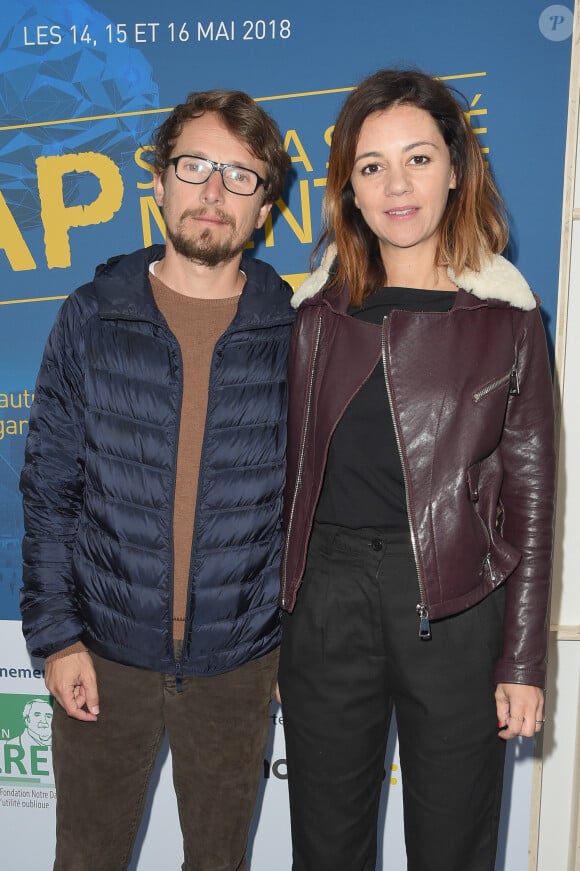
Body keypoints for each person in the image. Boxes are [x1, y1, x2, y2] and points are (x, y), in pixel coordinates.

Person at [278, 68, 555, 871]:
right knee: (325, 851)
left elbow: (533, 500)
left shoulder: (509, 321)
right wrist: (280, 628)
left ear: (457, 169)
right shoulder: (310, 317)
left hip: (460, 606)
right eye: (371, 166)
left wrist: (523, 661)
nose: (397, 184)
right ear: (350, 192)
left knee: (453, 850)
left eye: (419, 158)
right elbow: (281, 487)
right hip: (325, 607)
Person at [20, 88, 293, 871]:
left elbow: (312, 507)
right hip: (103, 655)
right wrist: (57, 636)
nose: (214, 192)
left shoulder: (297, 330)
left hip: (240, 666)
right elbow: (49, 488)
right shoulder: (91, 316)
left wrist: (292, 651)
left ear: (264, 207)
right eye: (196, 166)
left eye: (240, 176)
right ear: (158, 184)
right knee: (87, 859)